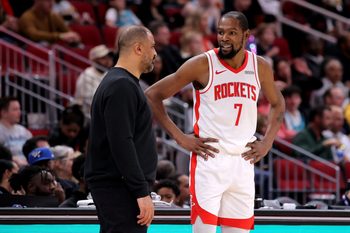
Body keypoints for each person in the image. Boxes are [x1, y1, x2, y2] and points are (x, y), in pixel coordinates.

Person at [146, 11, 285, 232]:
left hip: (243, 162)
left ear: (246, 35)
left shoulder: (260, 66)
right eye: (221, 32)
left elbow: (278, 104)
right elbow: (153, 94)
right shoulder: (202, 64)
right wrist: (180, 138)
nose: (225, 38)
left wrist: (267, 143)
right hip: (210, 160)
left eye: (232, 32)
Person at [84, 25, 158, 233]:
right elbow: (121, 142)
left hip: (120, 187)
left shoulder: (120, 83)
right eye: (152, 47)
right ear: (138, 48)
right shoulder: (121, 86)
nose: (155, 53)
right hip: (120, 189)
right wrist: (141, 192)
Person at [74, 44, 114, 118]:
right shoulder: (87, 74)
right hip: (87, 115)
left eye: (108, 57)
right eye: (103, 58)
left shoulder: (108, 73)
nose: (107, 61)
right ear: (95, 60)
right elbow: (89, 100)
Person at [0, 97, 32, 167]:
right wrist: (12, 159)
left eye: (19, 109)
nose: (19, 112)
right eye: (15, 109)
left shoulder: (23, 131)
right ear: (3, 113)